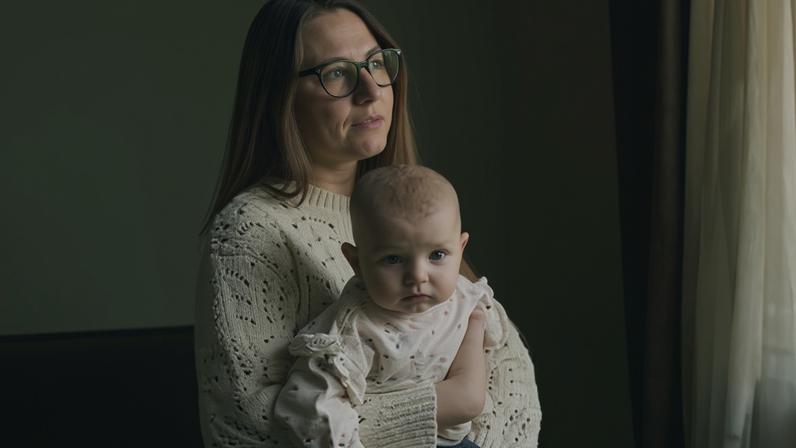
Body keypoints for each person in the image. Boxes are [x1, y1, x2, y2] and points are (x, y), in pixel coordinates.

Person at [194, 1, 542, 447]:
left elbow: (510, 379)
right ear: (278, 95)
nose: (370, 89)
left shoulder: (410, 215)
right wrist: (441, 406)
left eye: (376, 63)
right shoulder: (251, 233)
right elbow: (247, 428)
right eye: (337, 72)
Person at [274, 165, 505, 448]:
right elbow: (312, 408)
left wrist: (480, 331)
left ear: (460, 248)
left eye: (437, 255)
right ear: (356, 263)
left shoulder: (465, 297)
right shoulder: (354, 329)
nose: (418, 276)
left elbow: (494, 352)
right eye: (394, 259)